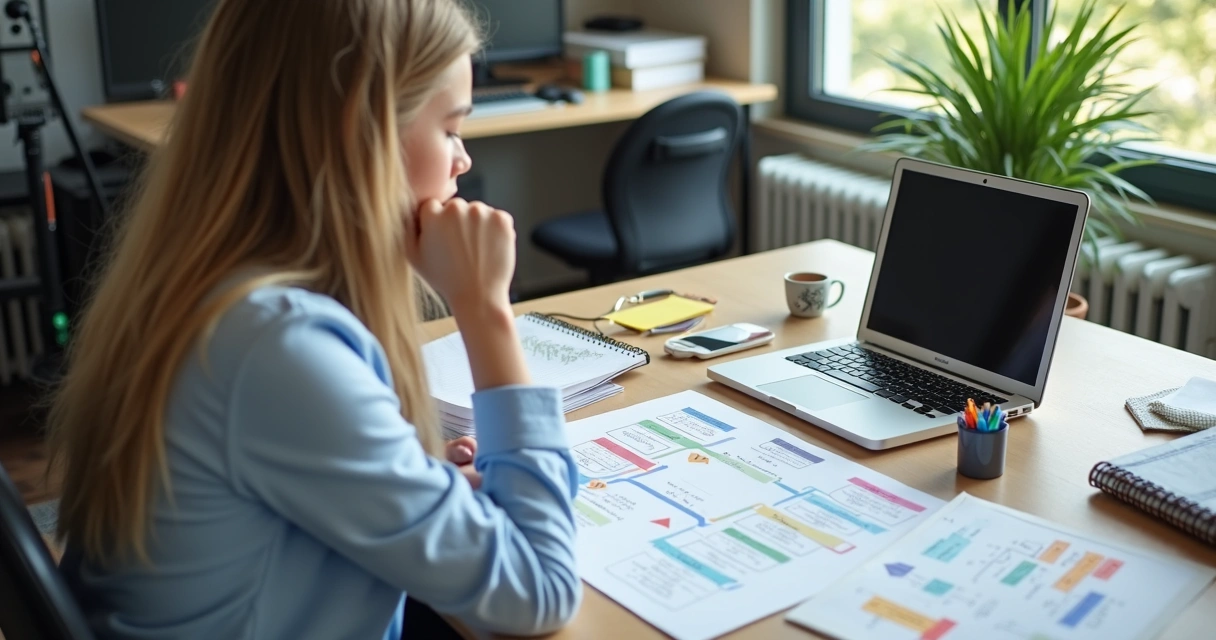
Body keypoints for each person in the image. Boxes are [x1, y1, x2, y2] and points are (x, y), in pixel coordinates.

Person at [47, 1, 581, 638]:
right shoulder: (276, 347)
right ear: (361, 134)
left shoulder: (204, 286)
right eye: (449, 128)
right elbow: (540, 590)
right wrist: (486, 307)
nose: (462, 160)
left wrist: (408, 480)